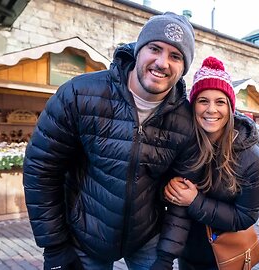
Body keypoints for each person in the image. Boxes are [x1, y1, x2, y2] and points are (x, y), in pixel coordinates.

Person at [23, 12, 200, 270]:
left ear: (183, 68)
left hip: (147, 237)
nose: (162, 62)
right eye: (155, 48)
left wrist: (165, 256)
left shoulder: (186, 120)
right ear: (138, 50)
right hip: (83, 235)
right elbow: (41, 169)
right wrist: (55, 246)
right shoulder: (78, 94)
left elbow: (181, 196)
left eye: (175, 56)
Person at [161, 56, 259, 269]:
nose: (211, 109)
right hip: (187, 255)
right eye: (203, 101)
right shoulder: (183, 146)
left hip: (225, 258)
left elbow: (245, 216)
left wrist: (194, 201)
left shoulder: (251, 158)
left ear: (230, 108)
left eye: (220, 102)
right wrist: (168, 190)